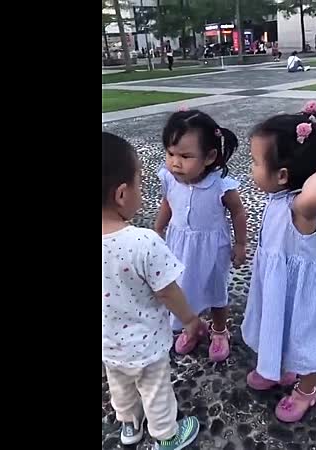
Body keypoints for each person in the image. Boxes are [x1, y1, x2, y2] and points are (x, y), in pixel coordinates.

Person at [102, 131, 208, 449]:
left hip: (108, 344)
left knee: (119, 384)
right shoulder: (143, 242)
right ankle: (167, 435)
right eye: (139, 181)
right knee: (156, 389)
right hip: (146, 345)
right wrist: (189, 319)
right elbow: (167, 291)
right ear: (122, 194)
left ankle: (130, 426)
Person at [241, 101, 316, 423]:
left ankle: (307, 390)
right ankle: (277, 368)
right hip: (279, 287)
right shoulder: (277, 198)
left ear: (282, 175)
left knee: (305, 341)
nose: (251, 168)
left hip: (304, 295)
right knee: (277, 327)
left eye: (255, 162)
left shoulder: (301, 209)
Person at [154, 107, 247, 362]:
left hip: (212, 248)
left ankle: (219, 329)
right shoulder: (170, 178)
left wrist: (240, 244)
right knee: (183, 288)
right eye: (170, 153)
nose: (175, 162)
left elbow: (238, 212)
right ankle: (191, 325)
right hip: (179, 244)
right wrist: (158, 228)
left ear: (209, 157)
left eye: (185, 156)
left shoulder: (220, 184)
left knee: (216, 290)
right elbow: (167, 203)